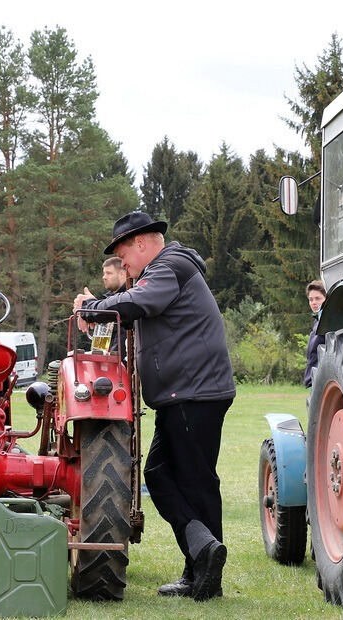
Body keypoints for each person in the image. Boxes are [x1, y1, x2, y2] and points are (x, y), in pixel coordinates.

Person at [73, 212, 235, 601]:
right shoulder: (165, 270)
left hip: (194, 393)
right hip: (187, 393)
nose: (122, 262)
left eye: (123, 252)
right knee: (167, 476)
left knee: (189, 480)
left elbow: (140, 301)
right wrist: (101, 315)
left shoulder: (169, 267)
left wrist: (93, 305)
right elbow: (135, 312)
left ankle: (203, 567)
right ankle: (201, 561)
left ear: (142, 242)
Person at [303, 280, 326, 388]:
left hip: (322, 380)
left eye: (318, 298)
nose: (314, 302)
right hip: (314, 379)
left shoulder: (329, 322)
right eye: (311, 299)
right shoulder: (317, 321)